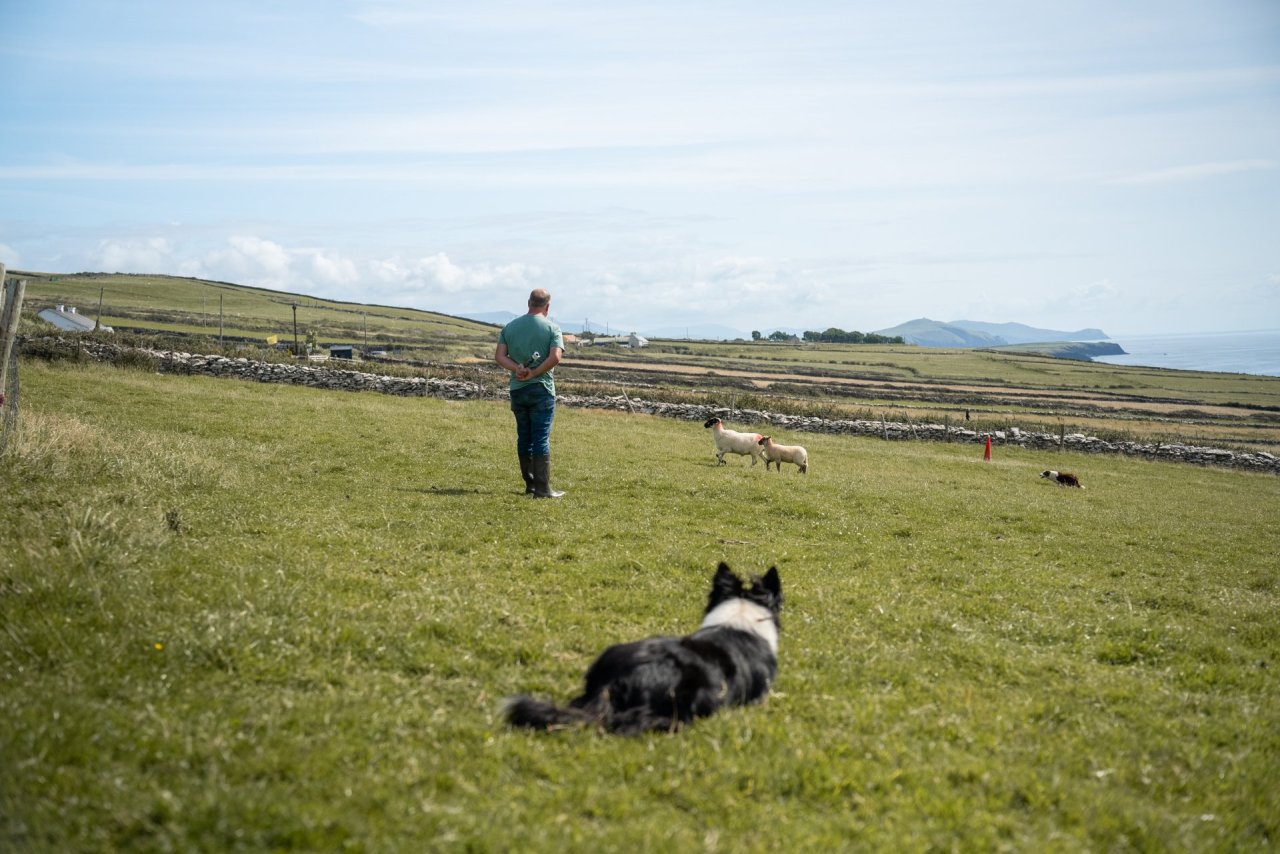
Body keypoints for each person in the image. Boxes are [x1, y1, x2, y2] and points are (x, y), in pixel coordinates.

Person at [495, 288, 565, 498]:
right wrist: (534, 372)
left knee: (524, 437)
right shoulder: (552, 328)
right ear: (547, 306)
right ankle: (543, 489)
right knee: (540, 438)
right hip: (542, 389)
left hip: (518, 388)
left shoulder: (510, 327)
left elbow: (499, 356)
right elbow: (555, 358)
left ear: (528, 303)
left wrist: (517, 369)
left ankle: (531, 485)